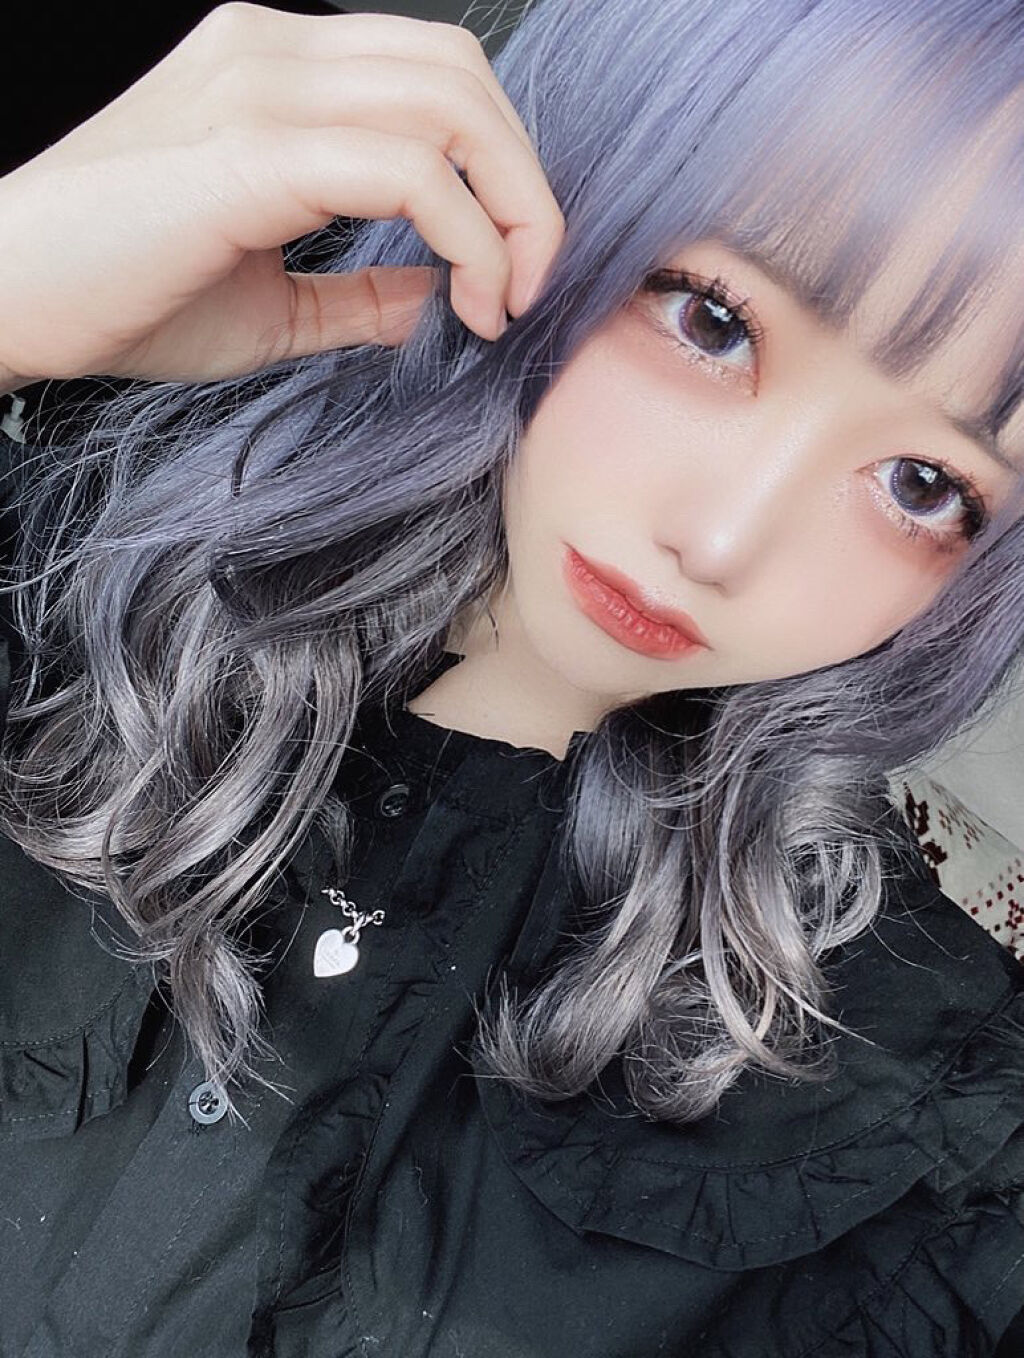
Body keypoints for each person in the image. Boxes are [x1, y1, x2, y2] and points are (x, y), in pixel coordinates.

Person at [0, 1, 1022, 1354]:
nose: (721, 541)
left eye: (924, 485)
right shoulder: (52, 569)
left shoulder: (935, 1143)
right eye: (713, 318)